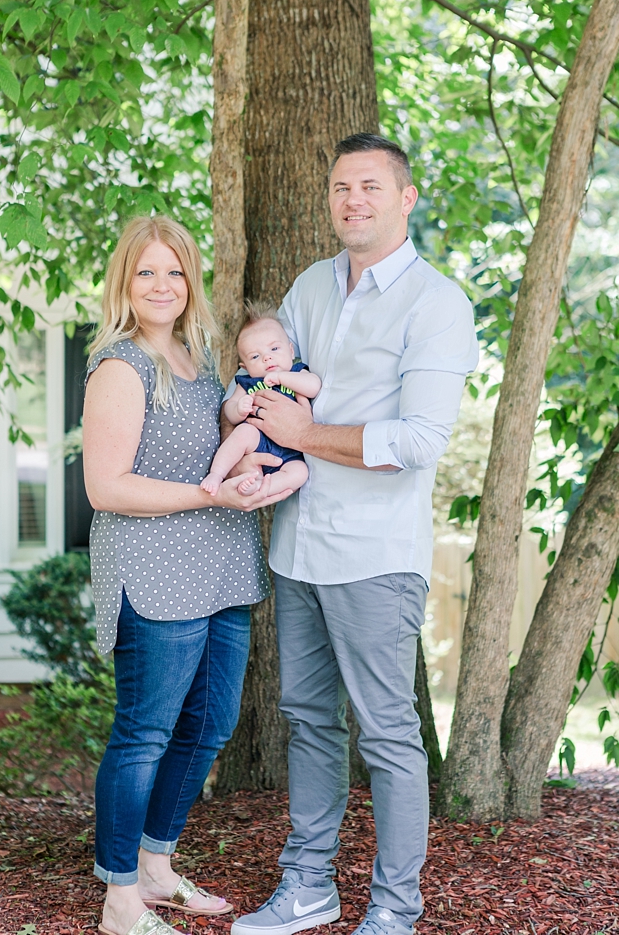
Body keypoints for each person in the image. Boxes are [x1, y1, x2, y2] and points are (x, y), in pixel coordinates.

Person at [230, 134, 479, 935]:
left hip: (374, 555)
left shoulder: (437, 304)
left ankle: (393, 912)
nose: (352, 200)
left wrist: (305, 436)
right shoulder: (308, 286)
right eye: (340, 187)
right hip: (297, 541)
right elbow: (272, 392)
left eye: (369, 186)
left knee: (387, 735)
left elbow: (414, 443)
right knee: (306, 719)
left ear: (405, 198)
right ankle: (307, 888)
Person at [83, 216, 292, 935]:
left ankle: (155, 865)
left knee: (207, 726)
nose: (161, 285)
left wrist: (255, 467)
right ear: (125, 284)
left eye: (174, 272)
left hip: (221, 566)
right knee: (144, 732)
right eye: (146, 272)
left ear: (190, 281)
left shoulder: (200, 359)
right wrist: (209, 493)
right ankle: (119, 898)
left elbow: (228, 448)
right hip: (154, 570)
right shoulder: (121, 366)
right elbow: (106, 488)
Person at [201, 303, 321, 498]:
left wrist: (283, 378)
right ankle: (216, 475)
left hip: (291, 452)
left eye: (274, 348)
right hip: (259, 441)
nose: (267, 358)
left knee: (300, 472)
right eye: (255, 356)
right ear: (245, 366)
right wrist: (239, 408)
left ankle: (261, 487)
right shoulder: (248, 382)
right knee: (242, 432)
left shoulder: (297, 373)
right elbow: (230, 410)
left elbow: (313, 385)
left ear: (291, 351)